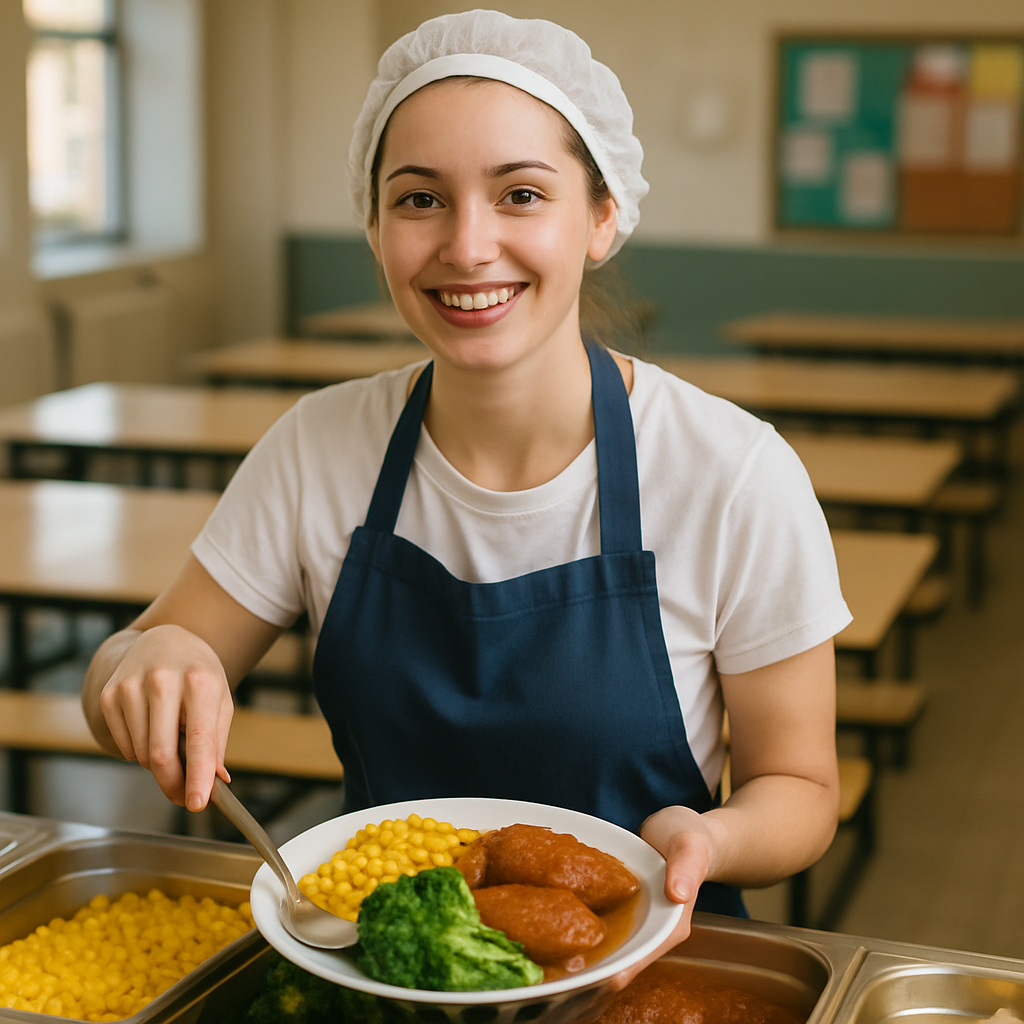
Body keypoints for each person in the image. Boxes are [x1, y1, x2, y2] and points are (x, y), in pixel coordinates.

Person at [82, 9, 850, 975]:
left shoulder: (733, 474)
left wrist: (711, 839)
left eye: (521, 194)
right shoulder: (318, 448)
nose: (468, 245)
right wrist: (149, 661)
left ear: (601, 217)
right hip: (385, 966)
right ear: (375, 228)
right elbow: (120, 669)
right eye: (420, 200)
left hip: (645, 972)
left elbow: (800, 787)